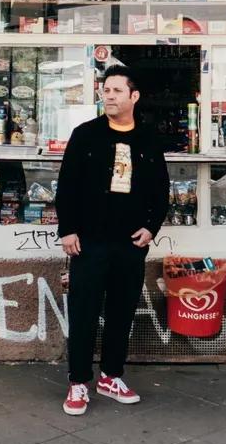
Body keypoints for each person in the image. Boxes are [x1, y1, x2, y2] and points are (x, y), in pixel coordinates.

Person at [55, 65, 170, 416]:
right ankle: (78, 383)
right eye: (106, 90)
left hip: (130, 243)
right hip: (89, 241)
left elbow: (160, 189)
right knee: (84, 313)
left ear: (134, 97)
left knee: (122, 312)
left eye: (117, 91)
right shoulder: (86, 134)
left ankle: (111, 376)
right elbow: (67, 186)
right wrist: (68, 229)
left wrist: (151, 226)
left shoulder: (148, 137)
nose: (109, 96)